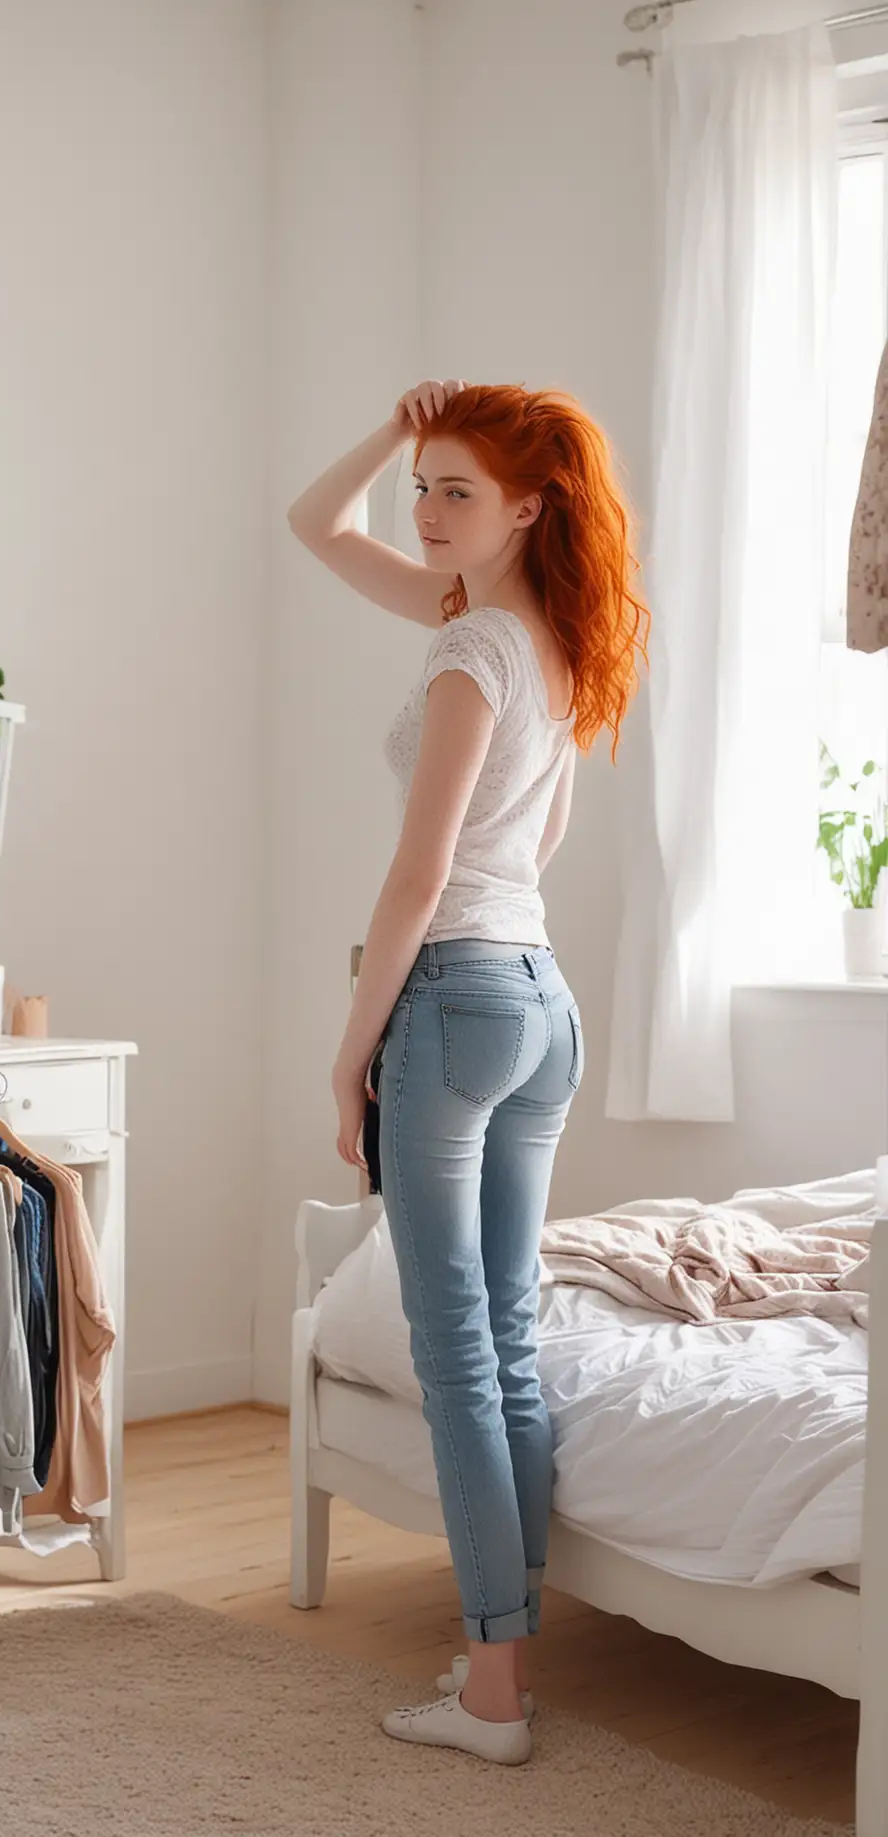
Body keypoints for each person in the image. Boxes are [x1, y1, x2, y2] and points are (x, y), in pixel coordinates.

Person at [288, 378, 648, 1767]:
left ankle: (492, 1698)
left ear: (528, 506)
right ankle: (501, 1654)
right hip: (540, 1002)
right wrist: (399, 430)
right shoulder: (553, 639)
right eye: (423, 483)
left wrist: (351, 1050)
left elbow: (421, 872)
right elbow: (318, 524)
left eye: (453, 490)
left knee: (459, 1353)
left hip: (453, 998)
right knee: (501, 1344)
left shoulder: (469, 654)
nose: (424, 509)